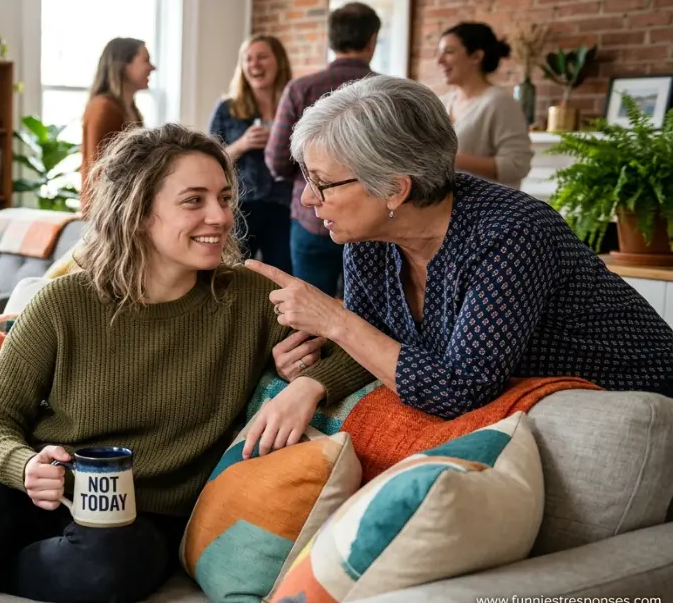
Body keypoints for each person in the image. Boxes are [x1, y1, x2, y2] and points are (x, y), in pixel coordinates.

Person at [0, 124, 371, 603]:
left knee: (107, 575)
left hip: (139, 516)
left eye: (224, 197)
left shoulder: (253, 299)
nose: (218, 216)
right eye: (193, 200)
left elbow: (359, 348)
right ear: (138, 211)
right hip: (28, 489)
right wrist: (25, 465)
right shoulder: (65, 301)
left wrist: (308, 385)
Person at [247, 75, 673, 421]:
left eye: (321, 183)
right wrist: (310, 376)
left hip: (635, 410)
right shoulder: (369, 240)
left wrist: (335, 321)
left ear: (395, 189)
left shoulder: (511, 233)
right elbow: (374, 347)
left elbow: (457, 392)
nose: (307, 199)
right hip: (541, 408)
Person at [266, 2, 381, 297]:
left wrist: (312, 175)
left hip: (312, 219)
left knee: (311, 316)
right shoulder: (387, 93)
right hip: (375, 222)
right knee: (371, 319)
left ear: (330, 41)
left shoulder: (300, 89)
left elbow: (277, 161)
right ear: (372, 40)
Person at [209, 34, 294, 274]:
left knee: (281, 275)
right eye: (248, 59)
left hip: (284, 205)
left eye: (262, 57)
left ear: (279, 61)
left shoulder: (293, 106)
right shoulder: (228, 108)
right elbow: (210, 160)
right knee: (232, 272)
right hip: (240, 206)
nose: (254, 64)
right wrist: (242, 144)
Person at [436, 22, 534, 189]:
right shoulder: (442, 104)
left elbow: (517, 165)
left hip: (489, 210)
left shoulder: (499, 103)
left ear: (476, 56)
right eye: (439, 53)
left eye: (449, 52)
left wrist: (450, 159)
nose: (440, 61)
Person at [80, 37, 155, 213]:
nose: (152, 67)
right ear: (123, 66)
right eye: (146, 60)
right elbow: (99, 170)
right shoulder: (104, 109)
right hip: (106, 213)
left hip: (123, 209)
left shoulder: (131, 111)